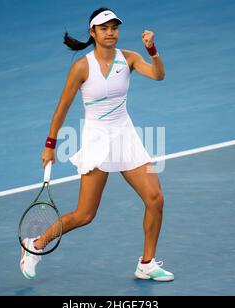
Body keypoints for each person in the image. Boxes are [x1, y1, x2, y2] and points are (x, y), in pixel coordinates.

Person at [20, 7, 174, 282]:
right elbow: (61, 109)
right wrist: (50, 144)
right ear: (93, 32)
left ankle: (147, 263)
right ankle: (36, 245)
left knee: (155, 199)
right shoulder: (82, 67)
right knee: (85, 214)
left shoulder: (129, 58)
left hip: (126, 137)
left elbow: (159, 75)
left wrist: (152, 50)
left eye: (114, 27)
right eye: (104, 28)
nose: (110, 32)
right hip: (97, 140)